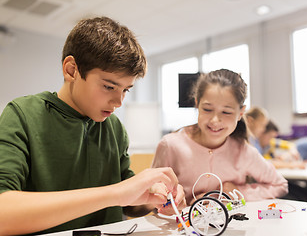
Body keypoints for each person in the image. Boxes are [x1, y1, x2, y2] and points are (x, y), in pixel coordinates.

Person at [0, 17, 185, 235]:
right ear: (71, 70)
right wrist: (115, 193)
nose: (119, 102)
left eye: (126, 90)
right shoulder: (22, 114)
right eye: (109, 86)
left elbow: (127, 200)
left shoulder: (113, 127)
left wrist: (152, 196)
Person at [151, 69, 288, 204]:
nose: (215, 120)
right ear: (197, 104)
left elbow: (280, 185)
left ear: (241, 113)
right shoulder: (171, 145)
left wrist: (237, 193)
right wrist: (165, 202)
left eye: (226, 112)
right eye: (207, 109)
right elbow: (150, 197)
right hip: (180, 225)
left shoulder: (243, 151)